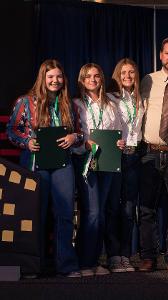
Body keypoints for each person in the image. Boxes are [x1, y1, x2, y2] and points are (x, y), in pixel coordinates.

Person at [6, 59, 82, 277]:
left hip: (62, 165)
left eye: (58, 76)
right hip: (34, 163)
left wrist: (74, 137)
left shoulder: (69, 103)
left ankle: (65, 265)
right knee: (34, 215)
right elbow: (12, 130)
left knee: (65, 214)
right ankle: (33, 266)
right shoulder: (25, 102)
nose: (55, 81)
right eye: (50, 77)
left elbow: (80, 133)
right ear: (43, 78)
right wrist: (26, 141)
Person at [72, 63, 125, 276]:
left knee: (100, 213)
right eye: (88, 77)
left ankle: (94, 261)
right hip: (86, 160)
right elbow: (74, 135)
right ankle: (85, 262)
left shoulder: (112, 103)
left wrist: (120, 143)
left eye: (96, 76)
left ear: (101, 79)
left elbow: (119, 131)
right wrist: (84, 143)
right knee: (92, 212)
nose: (93, 80)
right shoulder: (76, 104)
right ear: (82, 81)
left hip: (108, 160)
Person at [138, 37, 168, 271]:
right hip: (150, 152)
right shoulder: (148, 80)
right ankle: (148, 256)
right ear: (160, 55)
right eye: (167, 53)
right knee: (146, 208)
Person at [106, 58, 144, 272]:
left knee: (129, 208)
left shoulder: (140, 99)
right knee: (113, 207)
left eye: (131, 72)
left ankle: (125, 255)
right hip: (116, 155)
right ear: (117, 75)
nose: (127, 76)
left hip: (135, 156)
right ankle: (112, 255)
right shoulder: (110, 98)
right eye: (123, 73)